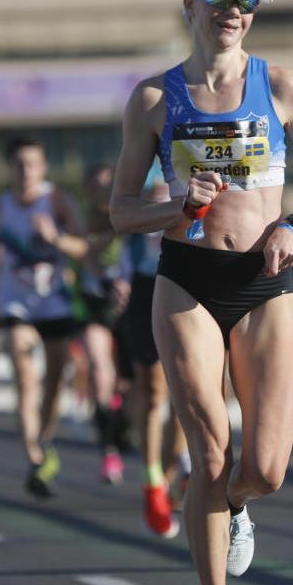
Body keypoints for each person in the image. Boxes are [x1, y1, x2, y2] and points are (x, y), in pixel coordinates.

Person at [109, 0, 293, 585]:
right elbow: (122, 211)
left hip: (263, 283)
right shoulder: (155, 99)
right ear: (191, 4)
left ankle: (233, 505)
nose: (234, 11)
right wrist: (175, 207)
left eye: (246, 2)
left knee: (263, 468)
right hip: (186, 278)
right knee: (208, 450)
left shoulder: (281, 86)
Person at [0, 137, 89, 498]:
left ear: (43, 167)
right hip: (15, 303)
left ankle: (44, 440)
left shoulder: (57, 201)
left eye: (32, 164)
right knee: (24, 375)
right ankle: (34, 458)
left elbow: (84, 247)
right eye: (19, 164)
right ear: (10, 168)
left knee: (54, 382)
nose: (25, 171)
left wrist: (55, 238)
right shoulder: (0, 205)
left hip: (53, 302)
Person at [117, 164, 189, 538]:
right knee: (155, 391)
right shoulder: (145, 150)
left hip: (189, 279)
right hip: (146, 287)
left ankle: (171, 471)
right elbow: (122, 218)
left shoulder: (199, 143)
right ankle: (152, 480)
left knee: (186, 392)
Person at [74, 163, 131, 485]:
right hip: (95, 300)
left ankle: (119, 421)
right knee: (99, 370)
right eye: (96, 185)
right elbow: (83, 254)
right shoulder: (83, 219)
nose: (102, 191)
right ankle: (108, 450)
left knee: (127, 384)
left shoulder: (130, 209)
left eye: (107, 184)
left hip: (127, 303)